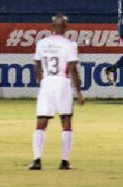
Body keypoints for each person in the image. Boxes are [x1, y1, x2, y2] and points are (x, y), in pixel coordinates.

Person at [29, 14, 84, 171]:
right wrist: (79, 92)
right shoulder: (69, 44)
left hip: (47, 82)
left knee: (41, 122)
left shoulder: (42, 43)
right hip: (62, 82)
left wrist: (41, 81)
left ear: (52, 26)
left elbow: (37, 64)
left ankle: (36, 160)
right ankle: (64, 162)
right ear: (66, 27)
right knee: (66, 121)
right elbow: (72, 69)